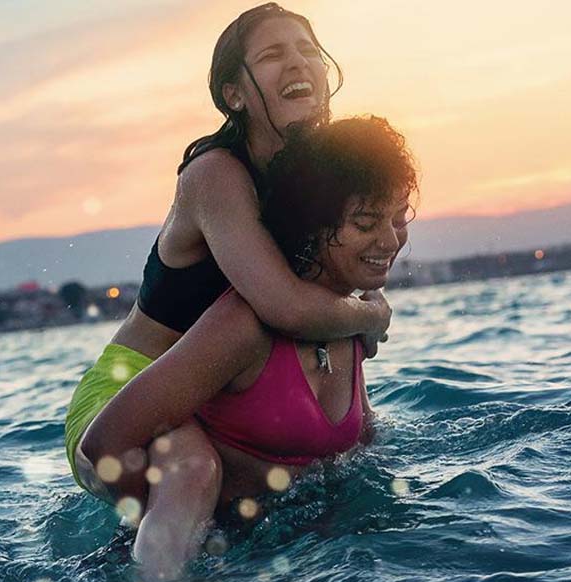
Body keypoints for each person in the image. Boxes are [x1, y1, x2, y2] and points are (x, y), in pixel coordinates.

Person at [65, 2, 392, 514]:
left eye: (309, 51)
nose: (298, 63)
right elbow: (289, 308)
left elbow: (325, 293)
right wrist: (372, 314)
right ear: (233, 95)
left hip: (218, 394)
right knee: (195, 472)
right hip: (128, 392)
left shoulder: (315, 177)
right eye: (272, 55)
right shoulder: (215, 176)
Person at [84, 116, 418, 582]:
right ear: (312, 226)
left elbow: (360, 454)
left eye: (399, 218)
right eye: (366, 223)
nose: (390, 240)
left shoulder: (349, 320)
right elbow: (105, 442)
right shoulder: (243, 326)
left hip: (288, 564)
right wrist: (166, 524)